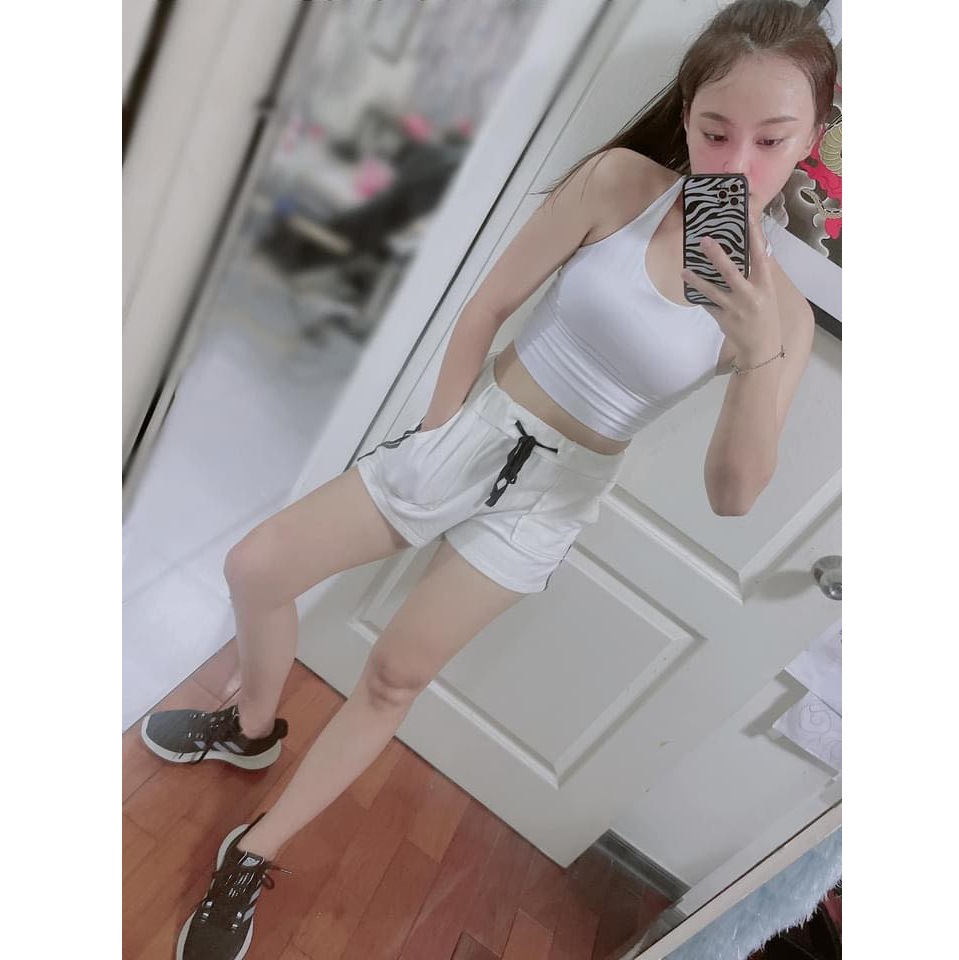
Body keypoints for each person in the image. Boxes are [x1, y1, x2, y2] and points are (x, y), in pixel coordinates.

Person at [137, 2, 837, 957]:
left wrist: (755, 355)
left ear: (811, 139)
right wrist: (438, 429)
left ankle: (253, 851)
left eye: (769, 140)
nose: (735, 164)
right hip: (474, 429)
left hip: (552, 501)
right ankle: (251, 726)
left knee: (395, 676)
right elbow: (487, 305)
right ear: (684, 116)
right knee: (257, 567)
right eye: (715, 131)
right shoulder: (617, 184)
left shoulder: (781, 319)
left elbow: (733, 495)